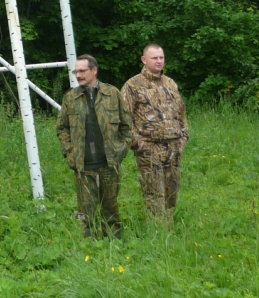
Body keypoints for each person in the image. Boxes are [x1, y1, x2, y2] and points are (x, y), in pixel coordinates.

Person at [56, 54, 133, 239]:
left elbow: (126, 126)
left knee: (111, 210)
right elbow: (61, 128)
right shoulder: (70, 98)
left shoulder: (112, 94)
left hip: (109, 163)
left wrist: (120, 150)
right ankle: (90, 246)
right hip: (83, 166)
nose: (78, 75)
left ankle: (115, 244)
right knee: (86, 213)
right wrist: (70, 153)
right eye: (76, 71)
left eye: (82, 70)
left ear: (94, 70)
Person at [121, 44, 189, 225]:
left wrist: (183, 135)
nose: (159, 61)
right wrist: (136, 142)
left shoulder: (170, 83)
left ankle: (169, 225)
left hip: (173, 146)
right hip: (149, 147)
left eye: (161, 57)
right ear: (144, 60)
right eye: (154, 58)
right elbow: (123, 117)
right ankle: (158, 231)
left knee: (171, 189)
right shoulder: (132, 85)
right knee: (153, 191)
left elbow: (181, 111)